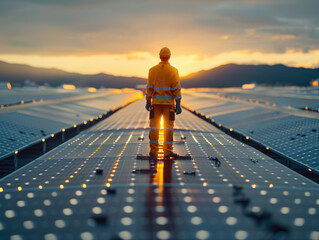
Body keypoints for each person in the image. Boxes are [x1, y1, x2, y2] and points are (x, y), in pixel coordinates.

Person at [145, 47, 182, 161]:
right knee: (168, 129)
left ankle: (153, 152)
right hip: (169, 106)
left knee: (154, 128)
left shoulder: (152, 70)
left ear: (160, 57)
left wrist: (148, 101)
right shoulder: (173, 71)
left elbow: (149, 87)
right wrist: (178, 103)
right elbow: (176, 88)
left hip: (155, 105)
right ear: (169, 57)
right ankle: (167, 152)